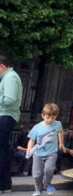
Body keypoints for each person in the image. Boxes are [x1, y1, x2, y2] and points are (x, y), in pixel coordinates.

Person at [26, 103, 66, 196]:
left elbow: (61, 132)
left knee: (49, 169)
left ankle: (47, 183)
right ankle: (38, 189)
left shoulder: (57, 124)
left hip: (51, 152)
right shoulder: (37, 127)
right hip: (38, 153)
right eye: (48, 117)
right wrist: (29, 149)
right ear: (43, 116)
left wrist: (61, 143)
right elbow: (31, 140)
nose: (50, 120)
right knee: (37, 174)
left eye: (53, 117)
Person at [0, 54, 22, 193]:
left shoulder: (10, 77)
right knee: (3, 150)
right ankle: (5, 184)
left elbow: (10, 99)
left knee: (1, 151)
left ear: (2, 66)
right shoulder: (10, 77)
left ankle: (3, 184)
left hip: (5, 117)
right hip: (6, 117)